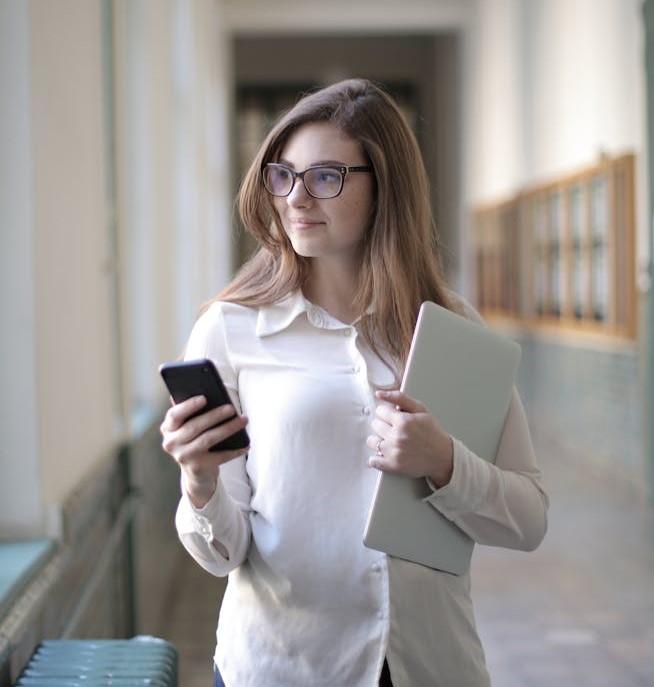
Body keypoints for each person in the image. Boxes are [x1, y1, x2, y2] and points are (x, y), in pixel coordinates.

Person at [159, 78, 548, 687]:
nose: (295, 198)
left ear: (383, 185)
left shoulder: (450, 330)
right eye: (282, 175)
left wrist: (443, 462)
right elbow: (223, 555)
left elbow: (528, 520)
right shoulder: (230, 331)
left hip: (429, 663)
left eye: (324, 177)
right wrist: (200, 482)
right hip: (283, 667)